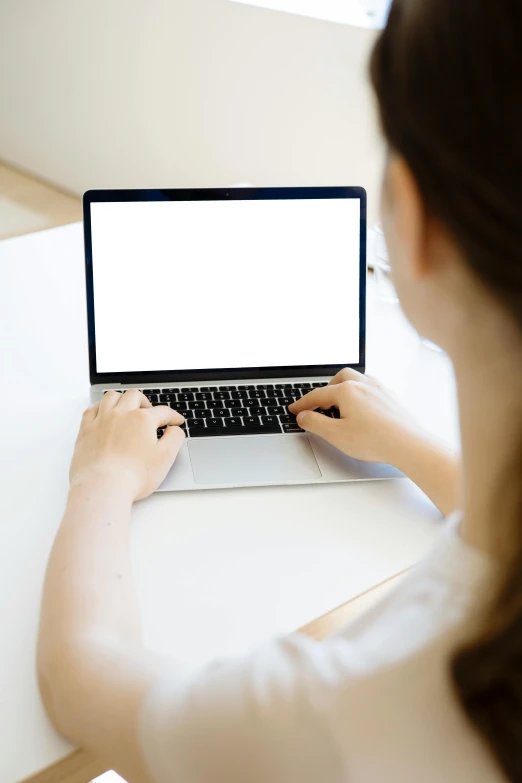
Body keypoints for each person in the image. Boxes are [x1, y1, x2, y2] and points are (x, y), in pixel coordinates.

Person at [37, 0, 522, 781]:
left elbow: (77, 675)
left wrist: (100, 481)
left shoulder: (343, 716)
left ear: (419, 223)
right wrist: (409, 446)